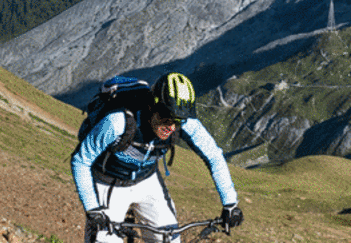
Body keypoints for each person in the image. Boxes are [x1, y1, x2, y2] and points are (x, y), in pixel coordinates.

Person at [72, 72, 243, 243]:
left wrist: (230, 204)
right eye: (166, 117)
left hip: (147, 180)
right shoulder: (118, 121)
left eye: (177, 121)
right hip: (108, 181)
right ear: (151, 106)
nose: (171, 127)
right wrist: (92, 208)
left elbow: (214, 155)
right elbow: (81, 160)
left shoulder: (183, 121)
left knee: (170, 240)